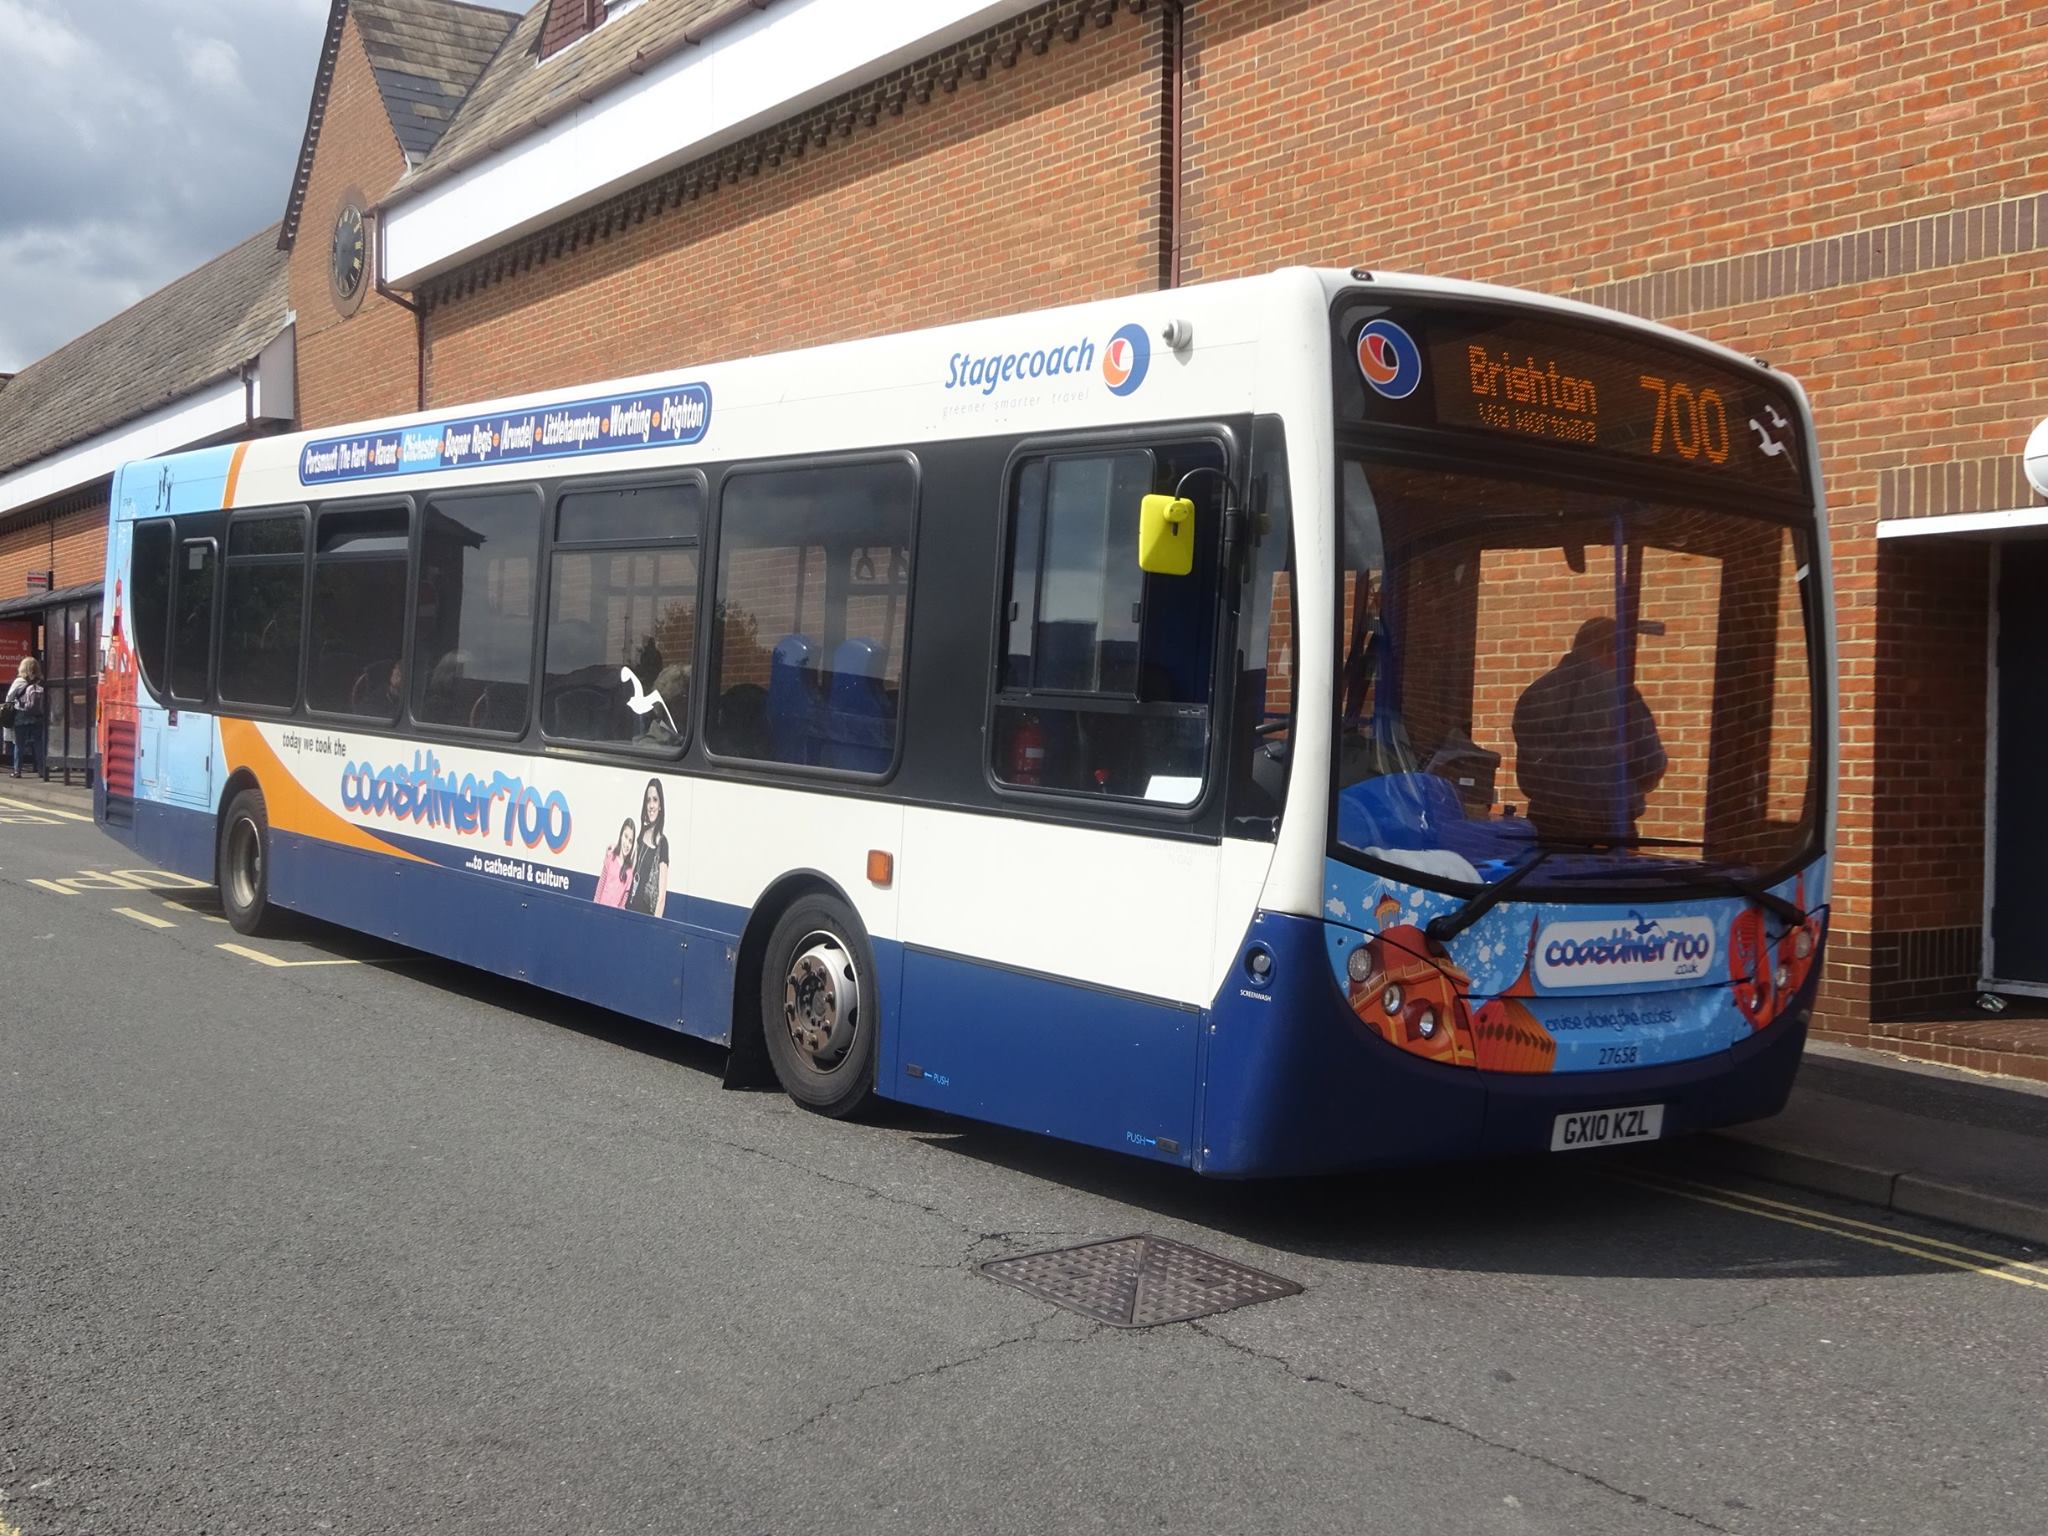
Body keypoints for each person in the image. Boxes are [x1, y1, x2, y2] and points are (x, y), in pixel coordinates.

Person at [1511, 616, 1665, 841]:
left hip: (1547, 827)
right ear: (1605, 649)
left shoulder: (1536, 692)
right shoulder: (1621, 695)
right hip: (1609, 829)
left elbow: (1529, 773)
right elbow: (1651, 763)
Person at [625, 777, 670, 917]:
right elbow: (630, 871)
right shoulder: (641, 834)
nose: (651, 805)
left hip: (646, 918)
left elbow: (661, 898)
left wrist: (654, 926)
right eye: (648, 800)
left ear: (660, 806)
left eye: (655, 800)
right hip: (628, 910)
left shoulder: (663, 843)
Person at [5, 657, 45, 779]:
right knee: (38, 743)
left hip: (21, 715)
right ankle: (41, 770)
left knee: (19, 744)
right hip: (37, 716)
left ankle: (17, 771)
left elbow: (9, 697)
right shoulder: (41, 681)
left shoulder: (19, 681)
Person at [593, 819, 636, 908]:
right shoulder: (610, 858)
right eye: (625, 837)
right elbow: (600, 887)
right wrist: (595, 908)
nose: (627, 844)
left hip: (613, 915)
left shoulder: (629, 873)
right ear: (621, 836)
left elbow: (623, 903)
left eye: (630, 841)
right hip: (600, 910)